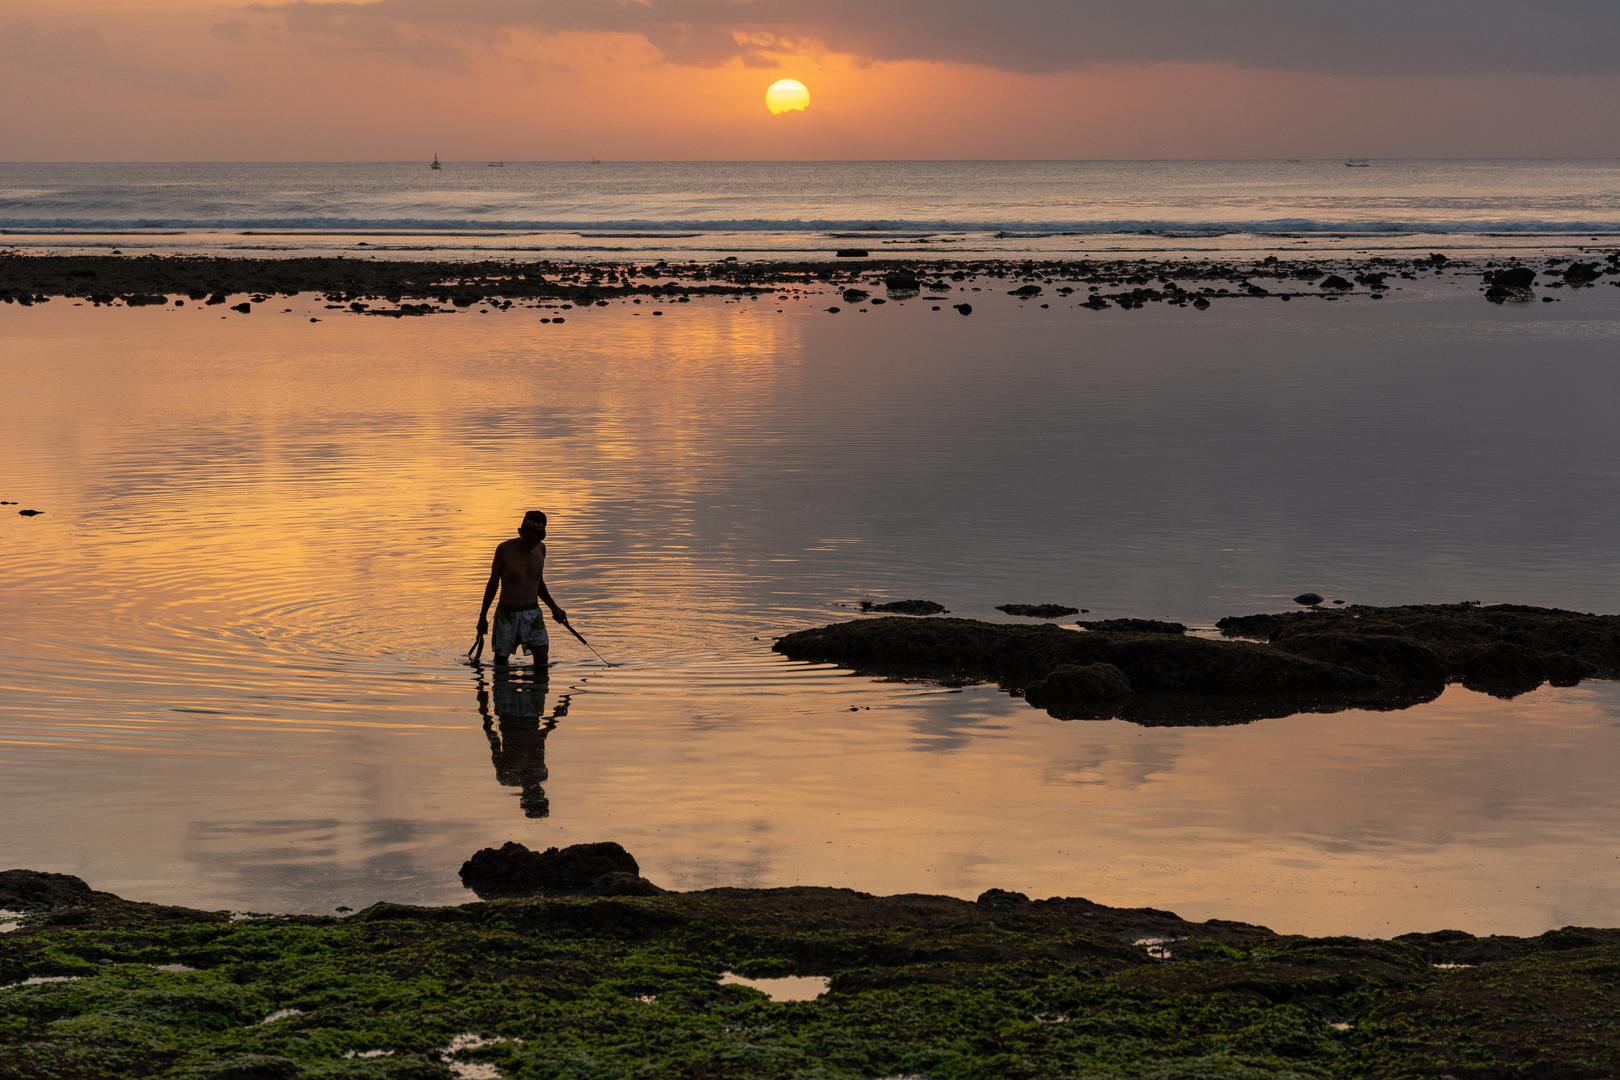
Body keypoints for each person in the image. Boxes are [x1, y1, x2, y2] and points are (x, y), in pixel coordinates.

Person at [477, 510, 569, 668]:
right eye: (529, 538)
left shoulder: (541, 550)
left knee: (541, 657)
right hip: (507, 614)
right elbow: (493, 584)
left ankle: (536, 690)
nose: (532, 543)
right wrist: (482, 617)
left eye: (536, 539)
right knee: (500, 662)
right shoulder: (504, 550)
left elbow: (538, 583)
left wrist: (554, 607)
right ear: (521, 533)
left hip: (532, 613)